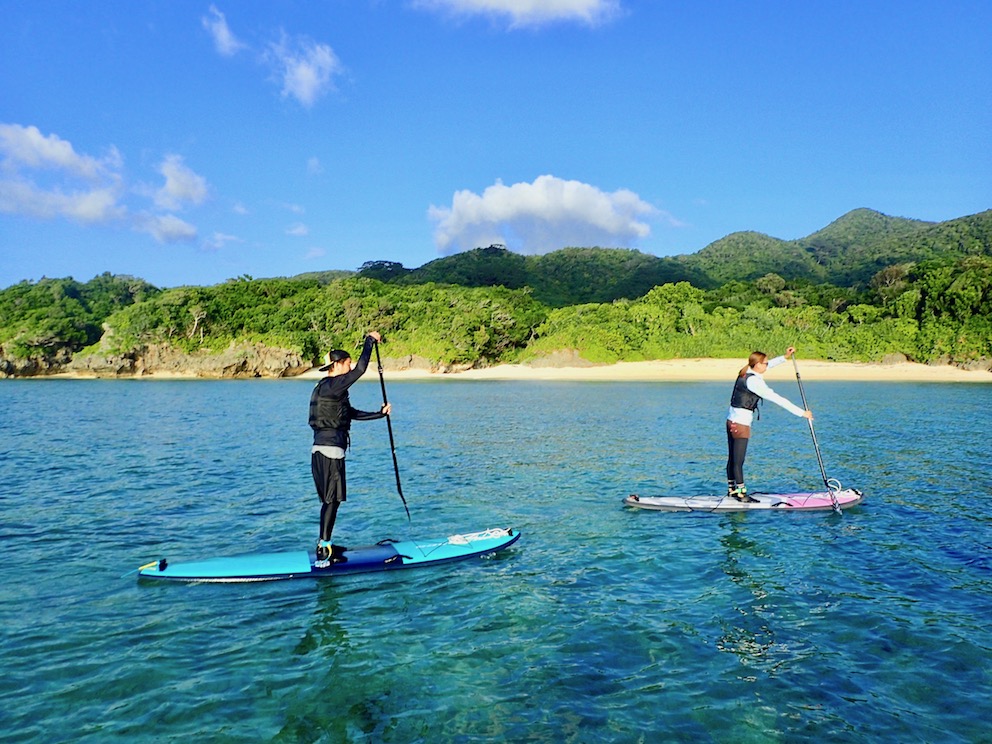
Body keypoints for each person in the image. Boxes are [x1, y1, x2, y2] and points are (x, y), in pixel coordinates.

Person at [309, 331, 391, 566]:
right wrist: (369, 341)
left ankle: (325, 542)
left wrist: (379, 414)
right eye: (347, 362)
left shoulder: (326, 388)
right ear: (337, 365)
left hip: (321, 450)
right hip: (330, 451)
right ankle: (324, 548)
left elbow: (351, 414)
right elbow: (361, 370)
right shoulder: (333, 385)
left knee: (330, 500)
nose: (351, 365)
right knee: (331, 500)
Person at [726, 346, 813, 502]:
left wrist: (784, 357)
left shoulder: (746, 372)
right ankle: (740, 493)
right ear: (757, 364)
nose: (767, 365)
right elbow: (777, 399)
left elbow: (769, 364)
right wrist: (801, 413)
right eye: (764, 363)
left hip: (731, 422)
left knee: (733, 458)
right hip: (740, 425)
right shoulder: (754, 382)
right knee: (738, 460)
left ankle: (732, 489)